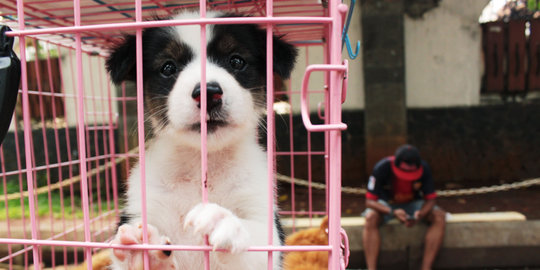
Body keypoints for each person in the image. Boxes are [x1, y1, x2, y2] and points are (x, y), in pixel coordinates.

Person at [362, 144, 446, 270]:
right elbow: (369, 202)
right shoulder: (382, 167)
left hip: (414, 205)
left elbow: (431, 200)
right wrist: (392, 211)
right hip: (387, 205)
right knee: (370, 217)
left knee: (439, 216)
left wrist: (421, 213)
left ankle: (426, 268)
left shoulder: (424, 168)